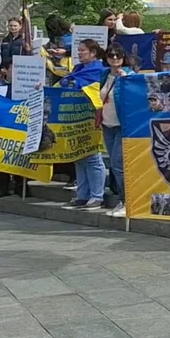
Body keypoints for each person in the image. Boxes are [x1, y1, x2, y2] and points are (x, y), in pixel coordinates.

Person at [62, 39, 108, 210]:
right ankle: (82, 195)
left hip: (90, 117)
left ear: (93, 52)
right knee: (79, 157)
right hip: (76, 116)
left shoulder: (99, 70)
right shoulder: (77, 69)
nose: (79, 53)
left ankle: (97, 196)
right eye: (78, 50)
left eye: (82, 50)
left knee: (93, 157)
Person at [100, 44, 133, 217]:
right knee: (115, 165)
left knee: (118, 164)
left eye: (118, 55)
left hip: (122, 125)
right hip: (107, 124)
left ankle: (126, 201)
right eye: (111, 55)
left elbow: (136, 94)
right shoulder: (104, 74)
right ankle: (123, 200)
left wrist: (127, 80)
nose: (114, 58)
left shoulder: (128, 74)